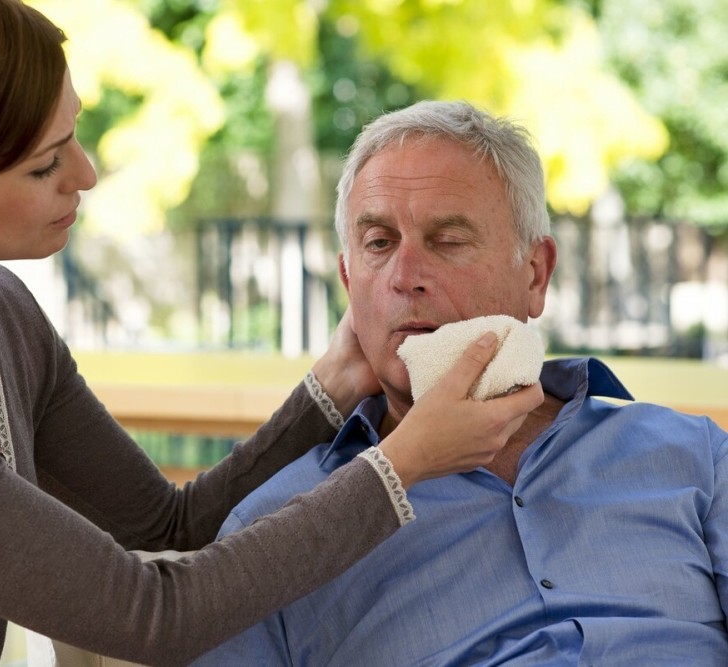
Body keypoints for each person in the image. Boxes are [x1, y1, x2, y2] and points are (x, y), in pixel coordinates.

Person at [0, 3, 545, 666]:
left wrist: (327, 392)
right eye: (45, 165)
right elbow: (156, 618)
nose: (84, 175)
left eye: (73, 134)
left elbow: (167, 527)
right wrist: (404, 463)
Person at [193, 100, 728, 666]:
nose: (404, 277)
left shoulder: (696, 456)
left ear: (536, 275)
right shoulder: (267, 534)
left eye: (448, 240)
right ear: (349, 283)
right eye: (379, 243)